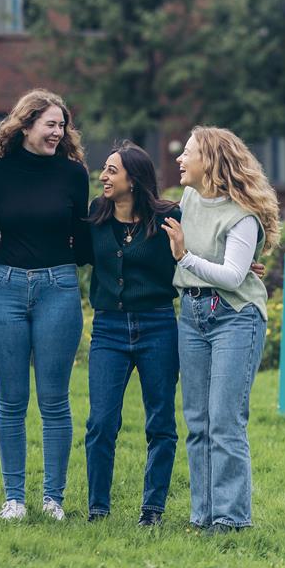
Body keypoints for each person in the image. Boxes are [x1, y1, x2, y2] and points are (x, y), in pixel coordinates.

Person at [0, 89, 90, 521]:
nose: (58, 132)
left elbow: (83, 239)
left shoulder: (73, 174)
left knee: (54, 400)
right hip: (4, 289)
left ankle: (53, 499)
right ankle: (14, 499)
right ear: (26, 125)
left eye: (62, 125)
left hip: (59, 289)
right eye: (50, 124)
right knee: (10, 400)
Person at [163, 126, 280, 534]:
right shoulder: (190, 198)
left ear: (209, 161)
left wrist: (185, 257)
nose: (179, 158)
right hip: (192, 314)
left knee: (225, 422)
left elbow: (231, 277)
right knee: (197, 422)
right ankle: (203, 516)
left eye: (188, 152)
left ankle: (231, 519)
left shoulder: (242, 215)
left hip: (235, 317)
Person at [83, 142, 182, 527]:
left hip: (158, 325)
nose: (104, 176)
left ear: (134, 180)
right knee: (101, 422)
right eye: (105, 169)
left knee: (161, 423)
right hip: (108, 328)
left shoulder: (169, 216)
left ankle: (152, 509)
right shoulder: (96, 213)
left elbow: (206, 244)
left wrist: (244, 262)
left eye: (112, 170)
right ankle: (98, 509)